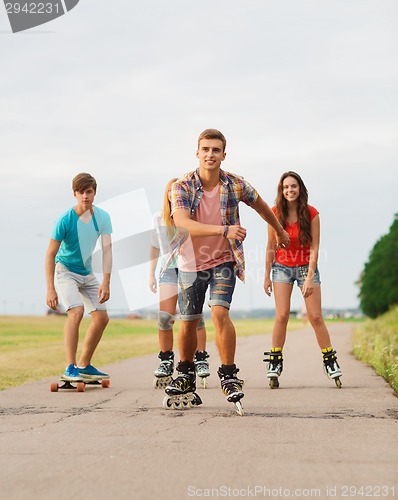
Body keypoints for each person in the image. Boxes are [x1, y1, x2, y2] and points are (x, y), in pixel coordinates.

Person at [161, 128, 290, 412]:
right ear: (197, 152)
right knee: (189, 320)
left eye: (215, 150)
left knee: (220, 311)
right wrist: (225, 229)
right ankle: (185, 372)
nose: (210, 154)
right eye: (205, 149)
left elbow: (262, 206)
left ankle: (229, 374)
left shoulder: (235, 184)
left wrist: (279, 230)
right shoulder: (180, 186)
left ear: (223, 154)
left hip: (224, 260)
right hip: (190, 262)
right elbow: (183, 224)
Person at [263, 171, 342, 388]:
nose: (290, 190)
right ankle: (275, 361)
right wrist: (266, 276)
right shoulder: (274, 213)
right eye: (286, 187)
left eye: (293, 186)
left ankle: (330, 360)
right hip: (281, 268)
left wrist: (309, 277)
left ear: (300, 189)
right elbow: (270, 246)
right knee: (282, 315)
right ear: (282, 190)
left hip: (307, 267)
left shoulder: (311, 212)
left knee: (316, 316)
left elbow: (315, 247)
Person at [45, 172, 113, 383]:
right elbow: (50, 254)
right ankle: (70, 367)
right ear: (75, 194)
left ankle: (84, 365)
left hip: (87, 273)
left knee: (102, 318)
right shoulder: (64, 220)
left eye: (89, 192)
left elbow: (108, 250)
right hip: (65, 271)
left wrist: (106, 281)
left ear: (94, 193)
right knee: (76, 312)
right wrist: (50, 288)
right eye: (81, 192)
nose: (85, 196)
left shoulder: (102, 217)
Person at [149, 178, 210, 389]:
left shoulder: (192, 217)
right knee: (165, 317)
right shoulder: (158, 218)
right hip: (167, 270)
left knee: (194, 317)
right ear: (168, 195)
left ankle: (200, 357)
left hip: (191, 268)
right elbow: (155, 246)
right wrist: (151, 274)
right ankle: (166, 359)